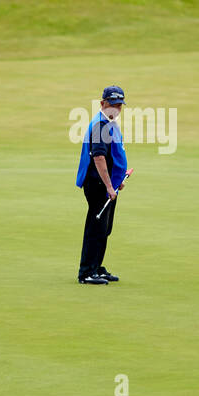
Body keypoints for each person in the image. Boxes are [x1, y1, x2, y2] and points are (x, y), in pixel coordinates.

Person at [75, 85, 128, 284]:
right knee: (96, 227)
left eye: (119, 105)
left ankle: (97, 267)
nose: (115, 109)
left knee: (105, 228)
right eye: (112, 104)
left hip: (107, 184)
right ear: (102, 104)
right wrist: (108, 185)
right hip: (97, 183)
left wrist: (117, 179)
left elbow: (114, 154)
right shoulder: (100, 126)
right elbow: (98, 158)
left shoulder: (110, 123)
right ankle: (87, 272)